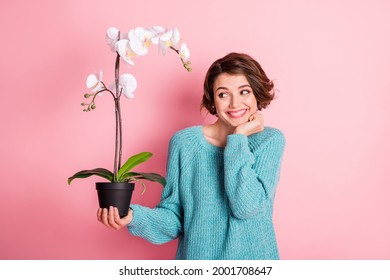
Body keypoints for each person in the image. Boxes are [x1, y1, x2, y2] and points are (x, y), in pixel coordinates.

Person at [97, 52, 286, 260]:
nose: (234, 103)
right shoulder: (185, 143)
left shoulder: (270, 141)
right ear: (213, 99)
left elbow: (246, 206)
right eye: (223, 94)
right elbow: (174, 216)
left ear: (256, 94)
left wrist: (239, 137)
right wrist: (133, 216)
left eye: (244, 91)